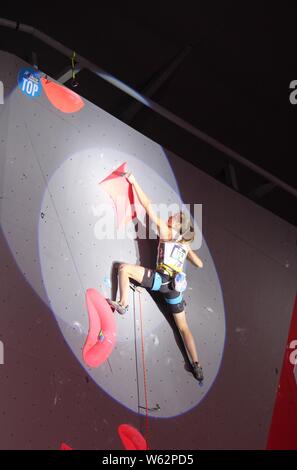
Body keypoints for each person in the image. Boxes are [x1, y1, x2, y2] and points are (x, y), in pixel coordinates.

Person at [107, 172, 204, 382]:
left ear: (177, 225)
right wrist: (188, 249)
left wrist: (134, 181)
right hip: (176, 290)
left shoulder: (166, 230)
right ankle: (197, 365)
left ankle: (123, 303)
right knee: (184, 327)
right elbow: (200, 264)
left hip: (161, 280)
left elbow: (148, 204)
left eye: (175, 218)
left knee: (123, 269)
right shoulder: (184, 244)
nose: (171, 217)